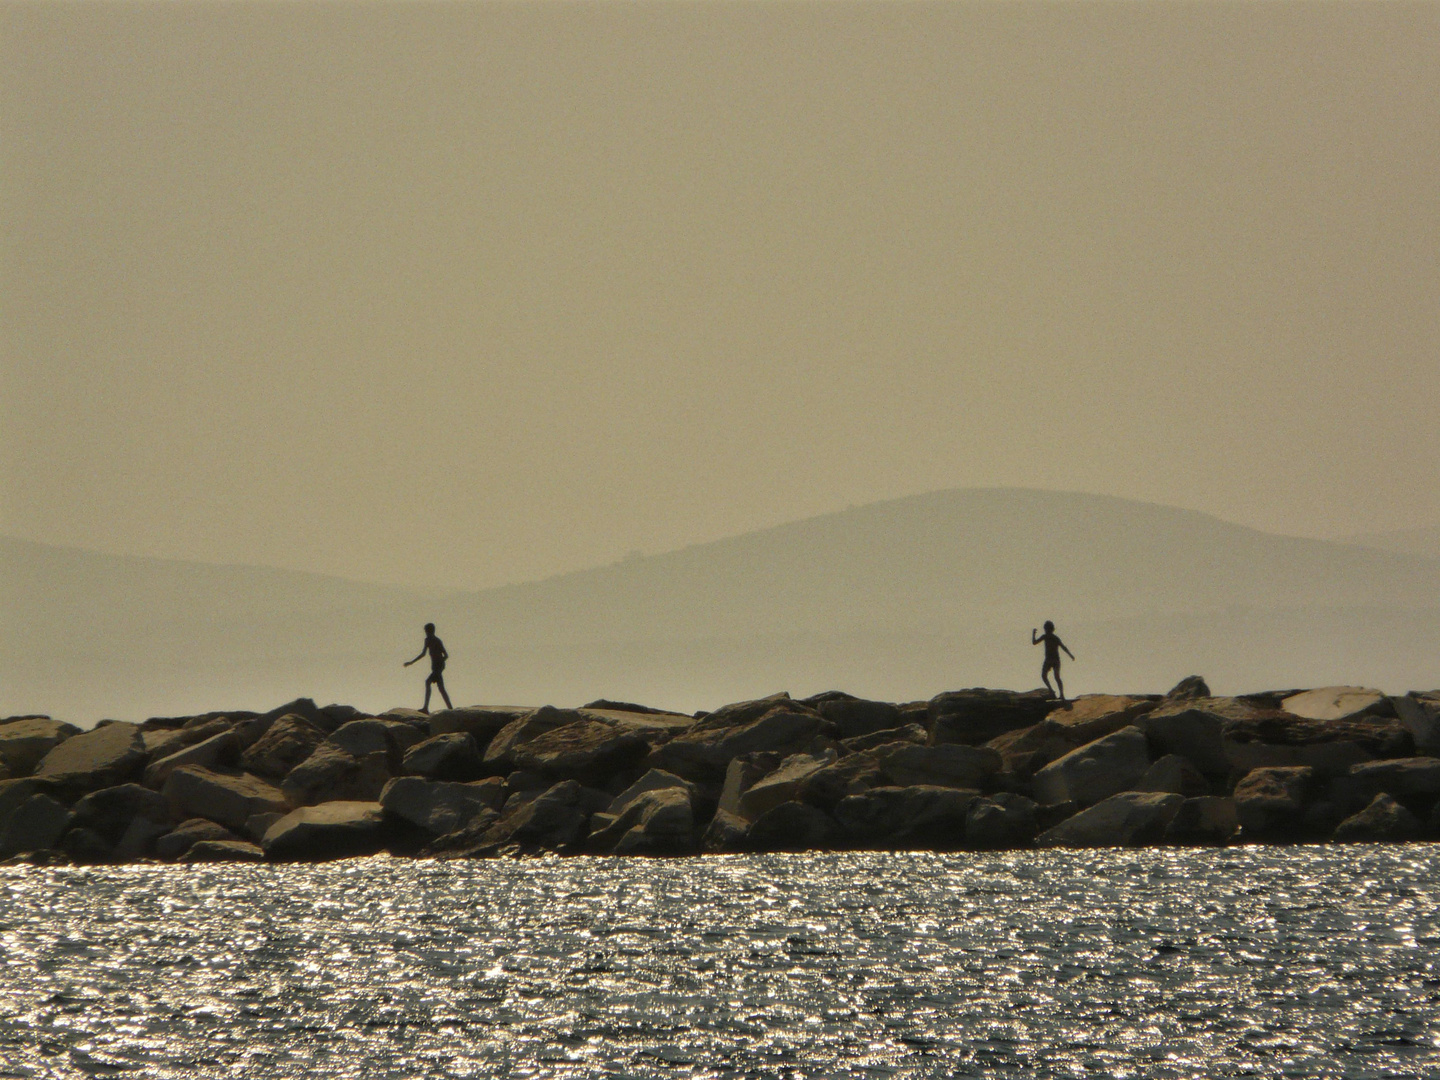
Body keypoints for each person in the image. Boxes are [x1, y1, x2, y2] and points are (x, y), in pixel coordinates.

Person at [404, 622, 452, 713]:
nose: (426, 633)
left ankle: (426, 708)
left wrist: (440, 664)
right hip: (435, 666)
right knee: (441, 688)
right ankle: (450, 708)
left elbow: (446, 655)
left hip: (438, 666)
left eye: (427, 631)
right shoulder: (427, 640)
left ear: (431, 631)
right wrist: (411, 662)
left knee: (428, 682)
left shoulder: (437, 641)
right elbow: (423, 654)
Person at [1031, 620, 1075, 701]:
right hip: (1051, 659)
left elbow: (1063, 647)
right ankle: (1053, 691)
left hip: (1053, 659)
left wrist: (1070, 655)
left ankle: (1060, 694)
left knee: (1055, 677)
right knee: (1046, 676)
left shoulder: (1052, 638)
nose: (1046, 630)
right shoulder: (1048, 637)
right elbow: (1034, 642)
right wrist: (1033, 634)